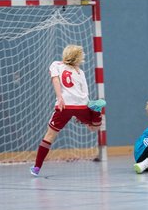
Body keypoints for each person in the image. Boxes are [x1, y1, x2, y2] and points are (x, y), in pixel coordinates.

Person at [30, 44, 106, 176]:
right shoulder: (80, 72)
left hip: (64, 106)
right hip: (82, 104)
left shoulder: (56, 65)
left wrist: (60, 98)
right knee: (93, 128)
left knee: (49, 136)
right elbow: (85, 92)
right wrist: (83, 112)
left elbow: (55, 80)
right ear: (78, 58)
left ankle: (37, 167)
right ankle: (96, 112)